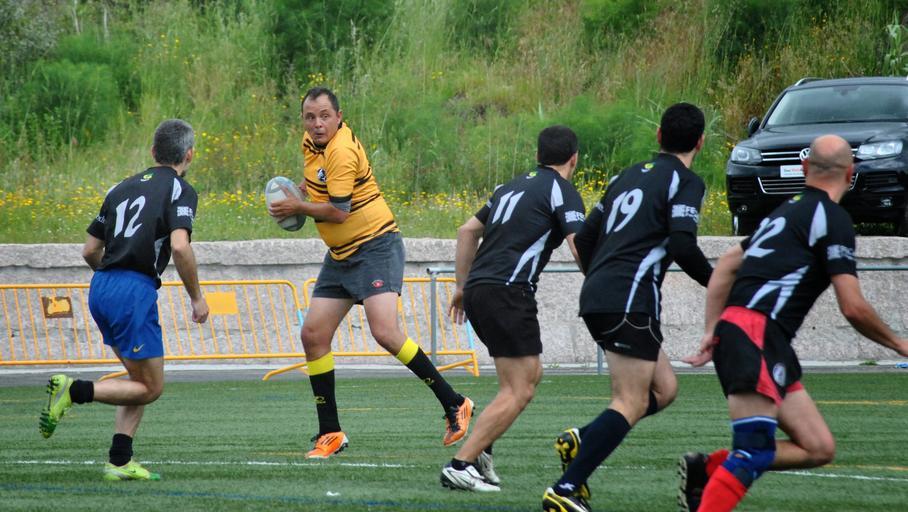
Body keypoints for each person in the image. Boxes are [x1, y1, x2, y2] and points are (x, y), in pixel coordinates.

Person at [678, 134, 908, 512]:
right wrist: (900, 343)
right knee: (753, 450)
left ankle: (708, 471)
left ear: (804, 168)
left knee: (818, 447)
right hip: (756, 334)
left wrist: (712, 328)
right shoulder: (832, 219)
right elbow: (852, 307)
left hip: (756, 335)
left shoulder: (786, 211)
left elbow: (727, 264)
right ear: (850, 173)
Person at [268, 87, 473, 459]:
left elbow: (339, 211)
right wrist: (301, 191)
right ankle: (330, 432)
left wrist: (299, 207)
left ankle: (454, 402)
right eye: (310, 117)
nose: (317, 123)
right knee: (313, 334)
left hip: (376, 246)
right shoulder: (310, 143)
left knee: (385, 331)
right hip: (341, 255)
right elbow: (319, 181)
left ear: (339, 116)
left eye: (325, 116)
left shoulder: (342, 150)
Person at [542, 103, 714, 512]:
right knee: (631, 401)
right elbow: (682, 244)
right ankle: (565, 489)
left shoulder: (626, 175)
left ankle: (584, 440)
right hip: (629, 300)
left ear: (659, 136)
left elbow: (585, 239)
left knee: (665, 390)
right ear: (700, 142)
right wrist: (720, 284)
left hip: (602, 294)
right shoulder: (686, 181)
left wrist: (602, 278)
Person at [39, 119, 210, 481]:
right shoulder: (180, 189)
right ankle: (75, 390)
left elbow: (90, 250)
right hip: (133, 290)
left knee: (137, 380)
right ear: (190, 155)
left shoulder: (120, 187)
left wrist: (112, 279)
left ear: (153, 152)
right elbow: (180, 246)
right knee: (151, 387)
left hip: (102, 286)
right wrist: (197, 298)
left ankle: (119, 460)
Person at [439, 125, 586, 492]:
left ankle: (482, 448)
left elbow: (466, 231)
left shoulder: (509, 187)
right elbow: (579, 245)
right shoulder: (562, 190)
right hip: (508, 292)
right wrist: (603, 279)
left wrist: (461, 286)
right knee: (519, 388)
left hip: (481, 290)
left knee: (528, 376)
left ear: (537, 156)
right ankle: (461, 464)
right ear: (574, 159)